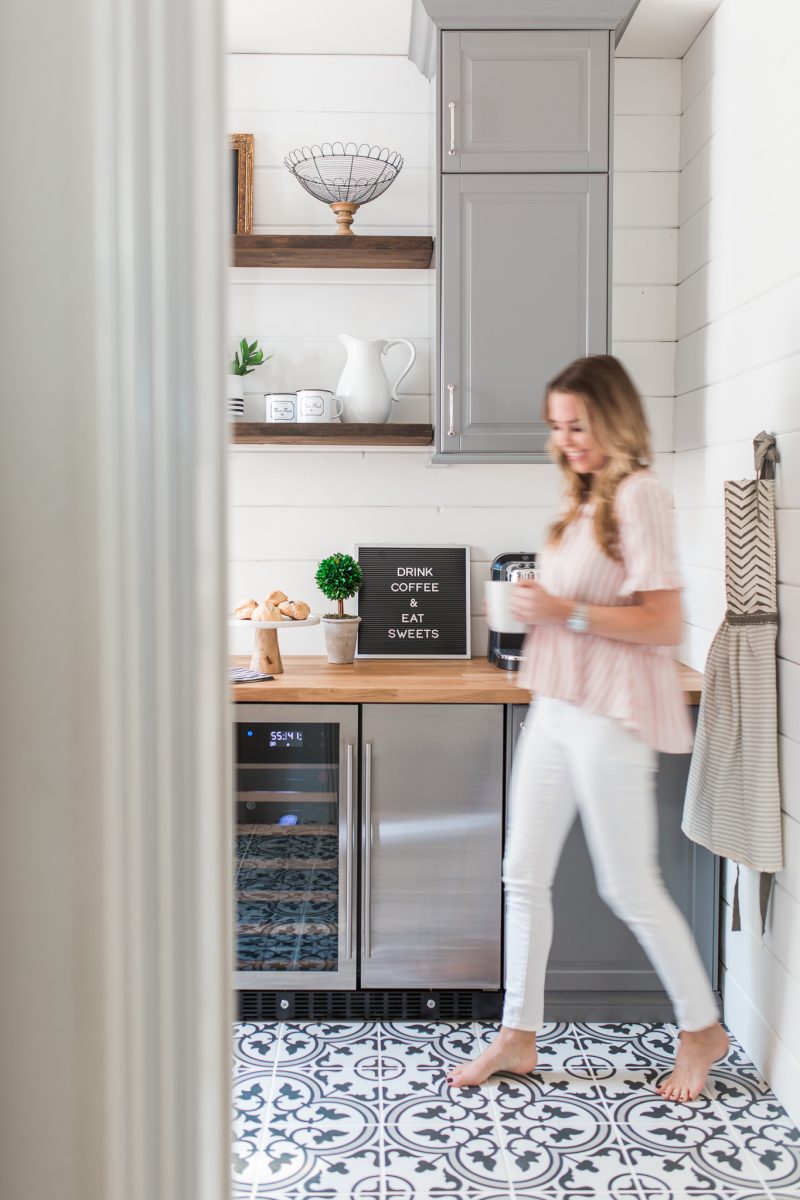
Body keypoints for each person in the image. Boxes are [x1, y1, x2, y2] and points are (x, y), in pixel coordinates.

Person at [447, 354, 728, 1102]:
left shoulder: (642, 495)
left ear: (613, 416)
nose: (566, 439)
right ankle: (518, 1035)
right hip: (557, 704)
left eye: (578, 424)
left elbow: (663, 620)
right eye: (558, 427)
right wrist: (544, 603)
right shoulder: (583, 499)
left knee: (629, 883)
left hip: (610, 712)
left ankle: (701, 1028)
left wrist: (563, 611)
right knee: (522, 873)